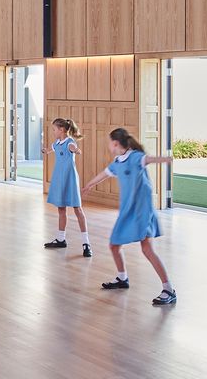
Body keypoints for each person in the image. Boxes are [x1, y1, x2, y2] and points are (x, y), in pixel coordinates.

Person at [82, 127, 177, 306]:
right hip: (127, 211)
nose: (109, 145)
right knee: (114, 245)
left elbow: (148, 159)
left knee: (147, 249)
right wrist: (89, 185)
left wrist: (166, 159)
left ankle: (169, 290)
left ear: (115, 143)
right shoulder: (118, 162)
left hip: (142, 211)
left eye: (110, 142)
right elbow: (104, 174)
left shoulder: (135, 157)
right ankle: (122, 278)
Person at [42, 117, 91, 257]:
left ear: (62, 130)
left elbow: (75, 149)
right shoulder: (57, 143)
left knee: (77, 209)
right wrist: (45, 151)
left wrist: (76, 150)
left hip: (70, 179)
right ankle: (61, 239)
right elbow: (51, 149)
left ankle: (86, 243)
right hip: (59, 178)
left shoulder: (70, 143)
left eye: (54, 129)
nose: (53, 132)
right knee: (61, 209)